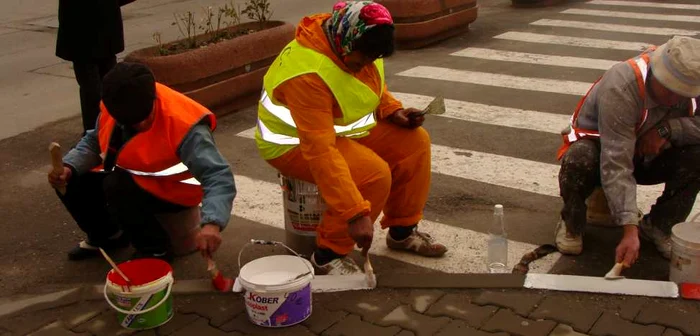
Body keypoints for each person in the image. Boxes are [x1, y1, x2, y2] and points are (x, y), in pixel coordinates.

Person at [254, 1, 448, 275]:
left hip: (334, 131)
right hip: (291, 143)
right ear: (343, 44)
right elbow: (320, 150)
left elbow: (369, 87)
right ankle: (327, 255)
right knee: (373, 175)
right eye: (359, 62)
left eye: (370, 60)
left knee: (415, 143)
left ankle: (402, 232)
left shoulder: (357, 39)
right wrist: (355, 214)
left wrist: (392, 110)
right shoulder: (308, 74)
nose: (363, 68)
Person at [48, 62, 236, 261]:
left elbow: (218, 176)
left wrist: (212, 223)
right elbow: (94, 142)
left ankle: (155, 251)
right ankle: (108, 236)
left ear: (153, 97)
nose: (142, 124)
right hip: (135, 175)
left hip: (176, 191)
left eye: (146, 116)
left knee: (117, 184)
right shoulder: (114, 105)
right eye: (133, 122)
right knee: (73, 177)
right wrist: (69, 167)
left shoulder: (184, 125)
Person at [555, 36, 700, 267]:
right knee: (578, 160)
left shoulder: (694, 76)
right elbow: (616, 162)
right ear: (656, 73)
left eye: (683, 93)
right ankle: (572, 222)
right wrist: (628, 230)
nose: (676, 100)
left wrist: (668, 129)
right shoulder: (622, 85)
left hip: (648, 153)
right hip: (603, 149)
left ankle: (659, 226)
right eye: (671, 91)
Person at [56, 0, 132, 134]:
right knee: (102, 83)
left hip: (83, 26)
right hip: (97, 24)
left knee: (95, 87)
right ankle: (108, 131)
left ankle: (99, 133)